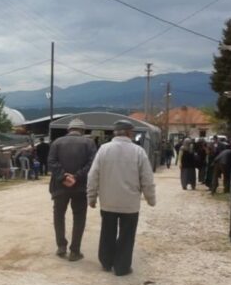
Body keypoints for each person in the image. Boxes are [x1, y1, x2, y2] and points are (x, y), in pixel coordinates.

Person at [87, 120, 156, 276]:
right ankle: (122, 267)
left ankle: (106, 262)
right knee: (127, 235)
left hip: (108, 202)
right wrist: (151, 199)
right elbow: (147, 178)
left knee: (107, 232)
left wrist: (91, 197)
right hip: (130, 204)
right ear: (129, 133)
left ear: (115, 133)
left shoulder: (103, 150)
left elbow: (93, 175)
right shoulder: (138, 152)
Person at [48, 118, 97, 261]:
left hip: (59, 186)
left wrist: (63, 177)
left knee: (58, 216)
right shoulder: (89, 143)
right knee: (79, 217)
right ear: (82, 130)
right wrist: (76, 177)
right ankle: (75, 251)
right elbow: (92, 164)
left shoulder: (57, 142)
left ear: (68, 130)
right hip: (80, 187)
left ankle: (61, 246)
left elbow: (51, 162)